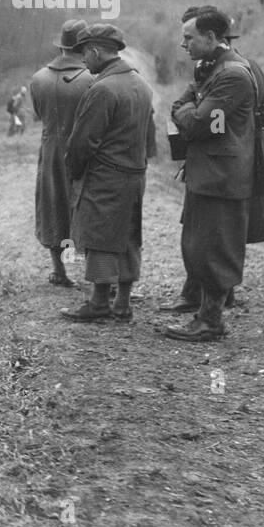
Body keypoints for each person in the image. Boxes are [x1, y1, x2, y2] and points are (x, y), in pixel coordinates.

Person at [159, 6, 264, 314]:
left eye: (189, 38)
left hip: (223, 173)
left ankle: (211, 319)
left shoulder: (232, 74)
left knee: (216, 246)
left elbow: (199, 123)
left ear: (210, 37)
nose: (184, 44)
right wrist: (190, 107)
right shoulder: (211, 68)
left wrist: (184, 109)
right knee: (200, 240)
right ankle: (202, 303)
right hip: (210, 169)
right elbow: (193, 107)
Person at [60, 23, 154, 323]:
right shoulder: (141, 84)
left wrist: (73, 170)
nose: (83, 60)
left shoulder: (102, 89)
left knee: (99, 237)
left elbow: (82, 142)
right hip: (135, 175)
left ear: (96, 51)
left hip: (105, 177)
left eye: (84, 53)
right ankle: (123, 304)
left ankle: (99, 302)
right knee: (129, 237)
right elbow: (149, 138)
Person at [29, 19, 92, 287]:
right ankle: (95, 274)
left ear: (62, 46)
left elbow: (38, 113)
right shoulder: (91, 79)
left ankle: (59, 271)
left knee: (53, 204)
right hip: (84, 150)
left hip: (50, 149)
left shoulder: (38, 78)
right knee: (86, 205)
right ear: (85, 47)